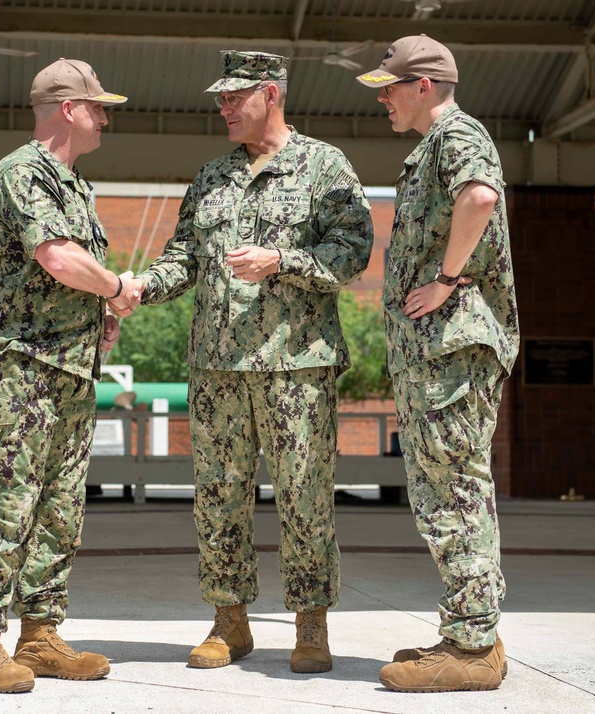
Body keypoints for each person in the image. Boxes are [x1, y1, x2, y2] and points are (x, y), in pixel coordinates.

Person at [134, 51, 373, 674]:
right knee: (218, 497)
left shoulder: (324, 167)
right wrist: (131, 290)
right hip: (218, 370)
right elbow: (183, 256)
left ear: (271, 93)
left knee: (305, 497)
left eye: (235, 97)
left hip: (296, 366)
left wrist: (282, 261)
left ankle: (310, 626)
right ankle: (228, 621)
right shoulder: (211, 177)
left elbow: (352, 252)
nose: (224, 108)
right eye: (220, 98)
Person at [0, 58, 139, 694]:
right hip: (20, 369)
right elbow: (57, 256)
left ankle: (39, 634)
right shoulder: (21, 172)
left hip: (70, 367)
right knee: (3, 500)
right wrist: (115, 288)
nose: (105, 117)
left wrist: (100, 315)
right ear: (67, 108)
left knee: (59, 506)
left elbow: (68, 272)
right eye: (98, 107)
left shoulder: (74, 184)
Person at [355, 35, 519, 693]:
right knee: (440, 487)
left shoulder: (456, 136)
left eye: (389, 88)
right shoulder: (436, 145)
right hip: (437, 354)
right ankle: (466, 632)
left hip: (453, 347)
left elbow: (479, 197)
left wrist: (448, 279)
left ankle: (475, 646)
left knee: (453, 487)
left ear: (423, 85)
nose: (383, 100)